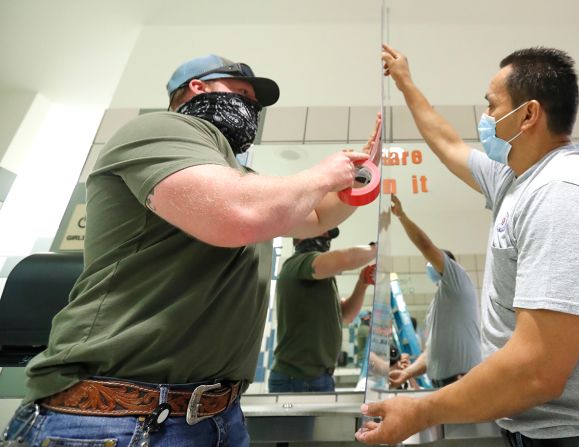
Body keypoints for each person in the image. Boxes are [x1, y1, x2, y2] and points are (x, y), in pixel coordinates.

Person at [2, 54, 376, 446]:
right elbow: (239, 213)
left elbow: (315, 215)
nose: (251, 106)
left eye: (254, 101)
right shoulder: (160, 128)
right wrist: (322, 173)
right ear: (198, 88)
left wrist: (362, 178)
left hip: (217, 416)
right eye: (241, 92)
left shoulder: (241, 178)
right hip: (116, 419)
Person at [355, 45, 579, 447]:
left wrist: (419, 411)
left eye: (491, 107)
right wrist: (405, 82)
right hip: (540, 431)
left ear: (528, 115)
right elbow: (446, 141)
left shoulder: (564, 193)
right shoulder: (515, 180)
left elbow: (538, 370)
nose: (484, 119)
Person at [387, 194, 480, 389]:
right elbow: (431, 353)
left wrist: (402, 216)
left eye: (433, 261)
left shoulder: (458, 280)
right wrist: (405, 374)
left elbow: (426, 246)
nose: (429, 265)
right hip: (440, 385)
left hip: (462, 382)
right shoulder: (437, 305)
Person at [269, 229, 377, 392]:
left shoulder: (321, 277)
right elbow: (343, 259)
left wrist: (362, 282)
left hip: (316, 378)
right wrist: (375, 249)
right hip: (297, 379)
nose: (327, 237)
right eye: (323, 230)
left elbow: (346, 315)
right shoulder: (299, 263)